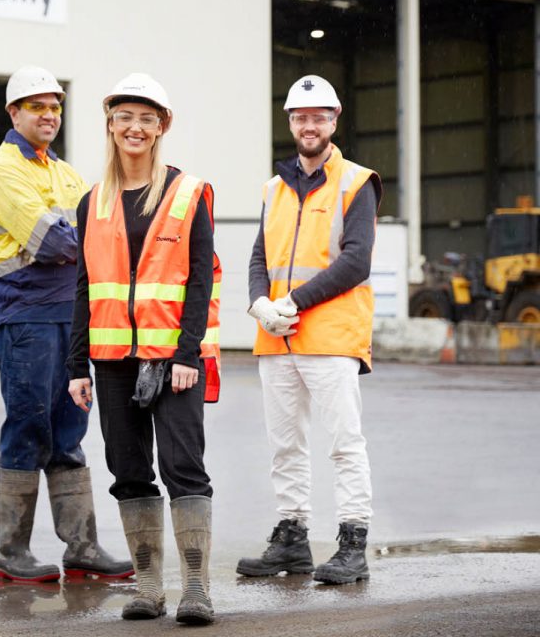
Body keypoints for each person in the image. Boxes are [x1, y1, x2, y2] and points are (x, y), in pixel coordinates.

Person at [67, 73, 222, 624]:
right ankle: (149, 588)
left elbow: (201, 277)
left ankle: (197, 588)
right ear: (110, 125)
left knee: (184, 467)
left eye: (147, 118)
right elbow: (85, 286)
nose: (135, 127)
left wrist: (187, 353)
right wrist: (76, 364)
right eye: (125, 117)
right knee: (128, 469)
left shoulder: (187, 193)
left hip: (172, 357)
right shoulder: (93, 202)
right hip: (111, 361)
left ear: (162, 128)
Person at [0, 65, 133, 583]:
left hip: (70, 318)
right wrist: (82, 237)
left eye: (55, 107)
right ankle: (11, 552)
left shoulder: (64, 173)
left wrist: (86, 238)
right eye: (37, 106)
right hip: (25, 318)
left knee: (69, 432)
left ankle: (82, 546)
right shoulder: (4, 170)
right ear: (14, 113)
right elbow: (58, 243)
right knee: (28, 428)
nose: (49, 115)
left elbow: (105, 231)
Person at [237, 74, 381, 586]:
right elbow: (259, 255)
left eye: (319, 116)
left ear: (334, 120)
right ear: (291, 123)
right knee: (285, 445)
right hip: (276, 337)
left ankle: (353, 545)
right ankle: (292, 541)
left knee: (344, 443)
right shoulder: (274, 188)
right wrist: (258, 303)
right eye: (301, 117)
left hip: (332, 336)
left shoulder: (356, 182)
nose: (309, 125)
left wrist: (292, 301)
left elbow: (357, 260)